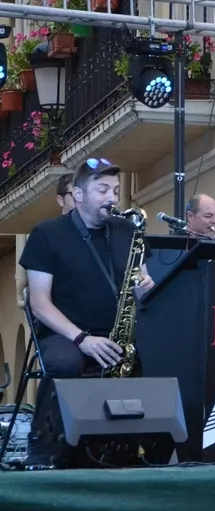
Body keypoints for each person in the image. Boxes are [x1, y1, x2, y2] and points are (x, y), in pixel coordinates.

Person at [19, 158, 155, 464]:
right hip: (65, 334)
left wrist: (144, 285)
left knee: (163, 357)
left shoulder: (128, 230)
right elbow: (39, 303)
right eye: (103, 190)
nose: (112, 198)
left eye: (116, 191)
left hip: (116, 332)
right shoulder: (47, 233)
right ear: (77, 195)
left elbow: (140, 282)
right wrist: (83, 339)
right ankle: (44, 449)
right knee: (66, 364)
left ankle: (132, 450)